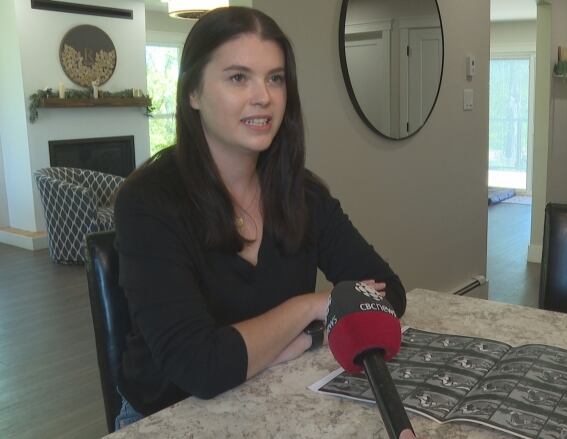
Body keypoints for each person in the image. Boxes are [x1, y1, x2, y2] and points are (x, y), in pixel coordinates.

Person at [113, 6, 406, 431]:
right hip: (167, 416)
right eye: (238, 78)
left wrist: (298, 340)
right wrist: (310, 306)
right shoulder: (147, 203)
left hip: (274, 392)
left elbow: (389, 294)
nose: (263, 96)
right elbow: (201, 369)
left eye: (275, 78)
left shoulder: (303, 193)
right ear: (192, 93)